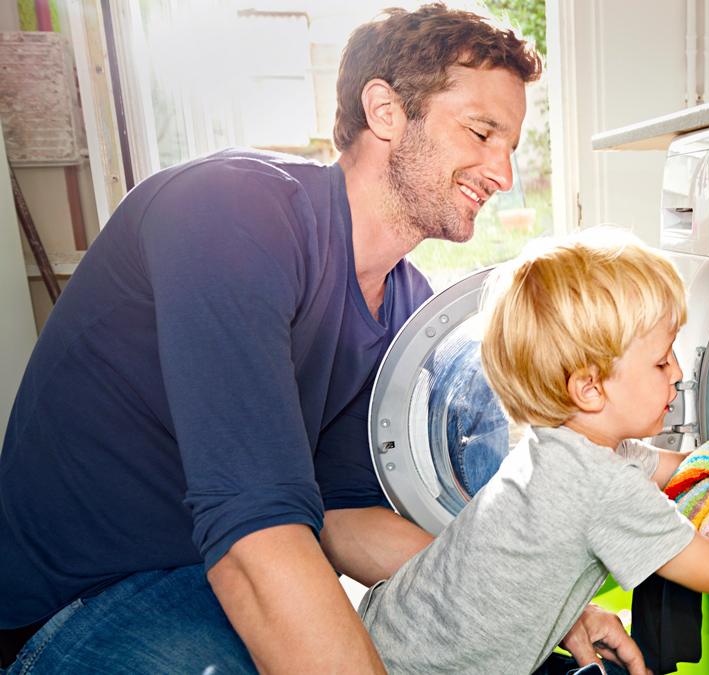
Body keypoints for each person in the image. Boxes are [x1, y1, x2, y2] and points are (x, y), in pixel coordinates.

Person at [0, 5, 637, 673]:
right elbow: (254, 543)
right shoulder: (232, 215)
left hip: (211, 575)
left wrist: (542, 606)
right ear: (385, 110)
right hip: (76, 602)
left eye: (509, 146)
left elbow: (341, 518)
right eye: (482, 132)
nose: (503, 173)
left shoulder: (406, 306)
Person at [358, 230, 709, 674]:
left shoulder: (564, 447)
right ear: (589, 389)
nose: (679, 373)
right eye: (661, 361)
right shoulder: (601, 486)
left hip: (385, 626)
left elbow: (682, 468)